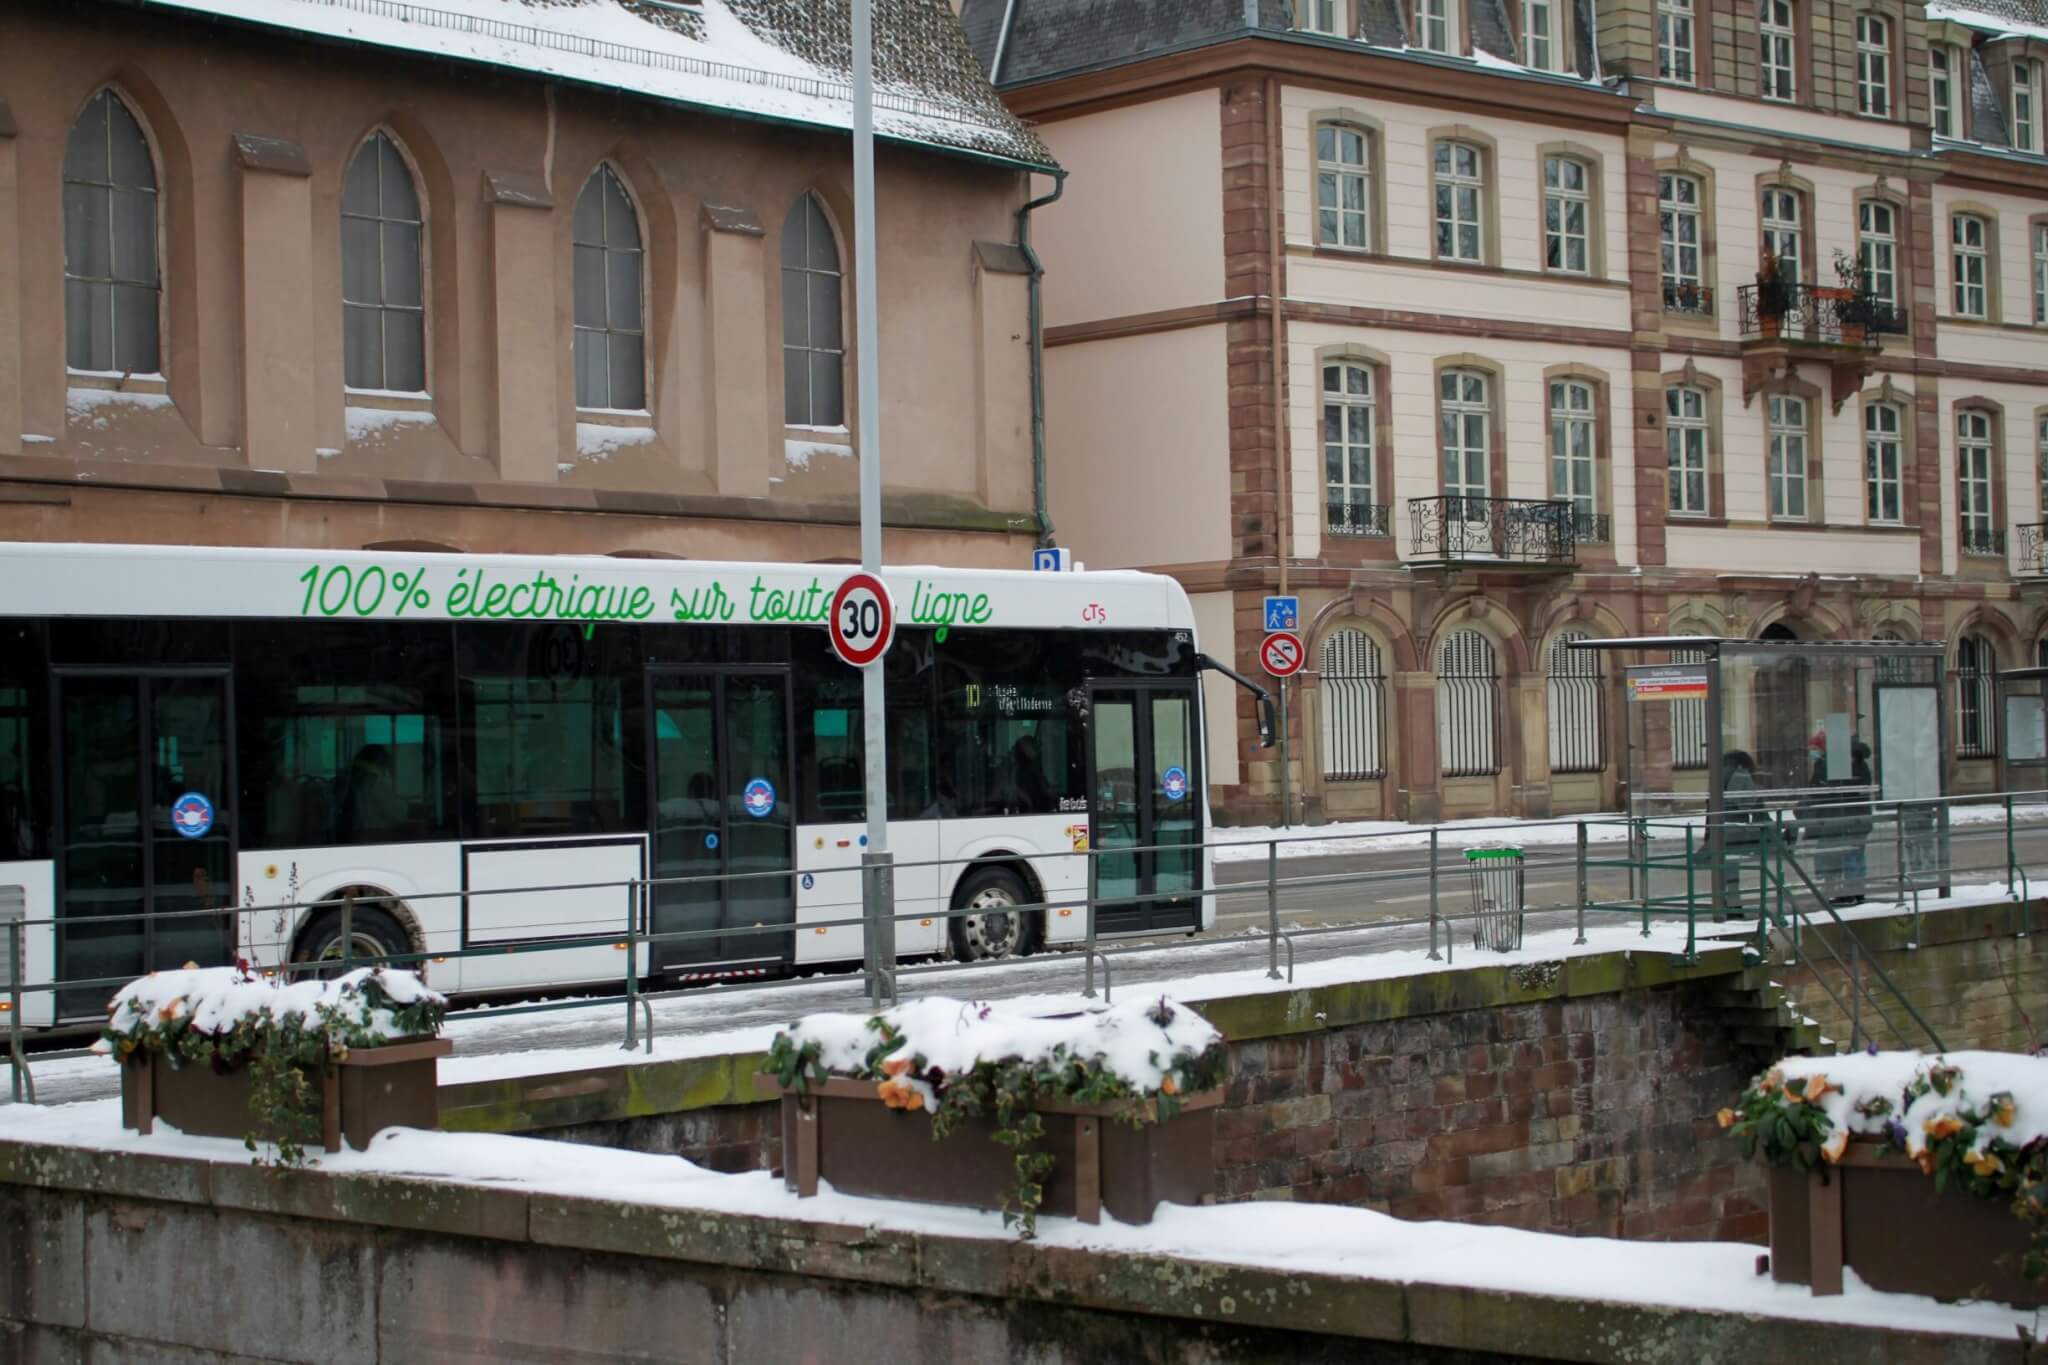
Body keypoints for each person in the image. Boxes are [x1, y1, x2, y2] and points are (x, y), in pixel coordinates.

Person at [1718, 749, 1763, 918]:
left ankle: (1724, 902)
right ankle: (1734, 906)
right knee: (1732, 869)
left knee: (1724, 867)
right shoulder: (1741, 774)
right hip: (1735, 826)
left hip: (1719, 827)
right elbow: (1745, 801)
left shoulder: (1719, 773)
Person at [341, 744, 407, 842]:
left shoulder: (350, 781)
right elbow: (398, 813)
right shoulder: (373, 784)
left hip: (356, 838)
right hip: (373, 838)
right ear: (378, 762)